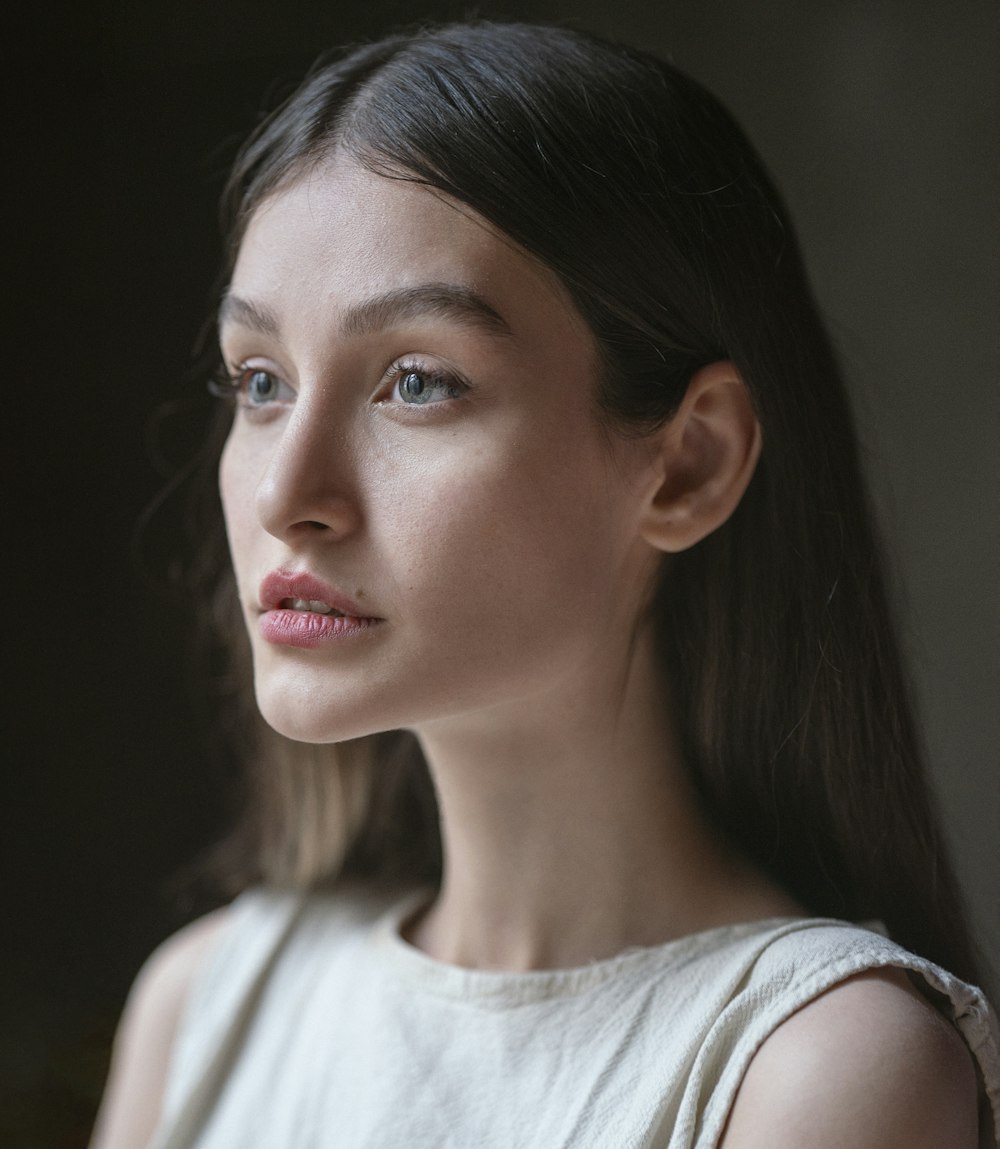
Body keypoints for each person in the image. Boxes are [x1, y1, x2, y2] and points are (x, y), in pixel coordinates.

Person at [91, 20, 999, 1149]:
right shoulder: (205, 1007)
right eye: (259, 380)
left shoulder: (814, 1068)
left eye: (416, 383)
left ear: (688, 463)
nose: (287, 491)